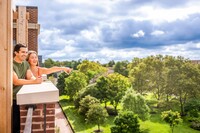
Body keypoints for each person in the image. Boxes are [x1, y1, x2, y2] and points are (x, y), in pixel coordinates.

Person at [13, 44, 42, 133]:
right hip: (12, 98)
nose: (25, 54)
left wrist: (36, 80)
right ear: (16, 52)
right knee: (15, 125)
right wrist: (34, 82)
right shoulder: (10, 64)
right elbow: (16, 81)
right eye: (22, 52)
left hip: (23, 95)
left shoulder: (25, 63)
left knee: (22, 124)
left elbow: (29, 76)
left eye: (26, 52)